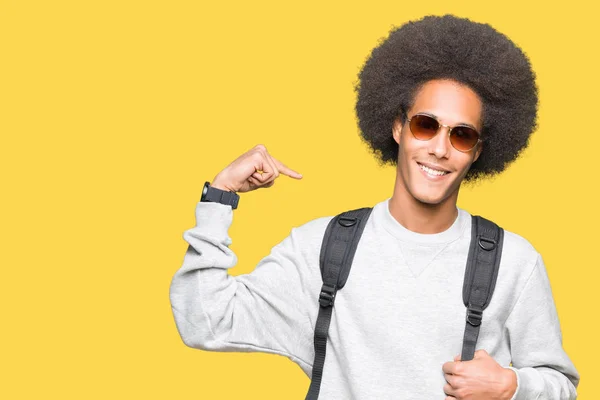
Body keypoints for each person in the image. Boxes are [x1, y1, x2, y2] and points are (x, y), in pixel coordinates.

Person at [169, 14, 580, 399]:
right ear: (398, 126)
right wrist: (220, 196)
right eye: (425, 124)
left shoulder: (514, 263)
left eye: (461, 135)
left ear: (477, 151)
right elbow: (205, 320)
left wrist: (513, 385)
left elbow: (561, 383)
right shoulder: (323, 248)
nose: (439, 148)